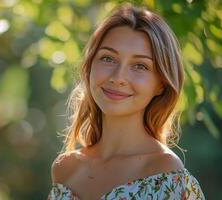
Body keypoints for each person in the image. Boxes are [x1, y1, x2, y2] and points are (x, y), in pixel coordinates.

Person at [47, 3, 206, 200]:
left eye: (140, 65)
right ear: (89, 68)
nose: (118, 77)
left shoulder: (169, 178)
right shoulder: (65, 169)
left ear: (161, 84)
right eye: (108, 58)